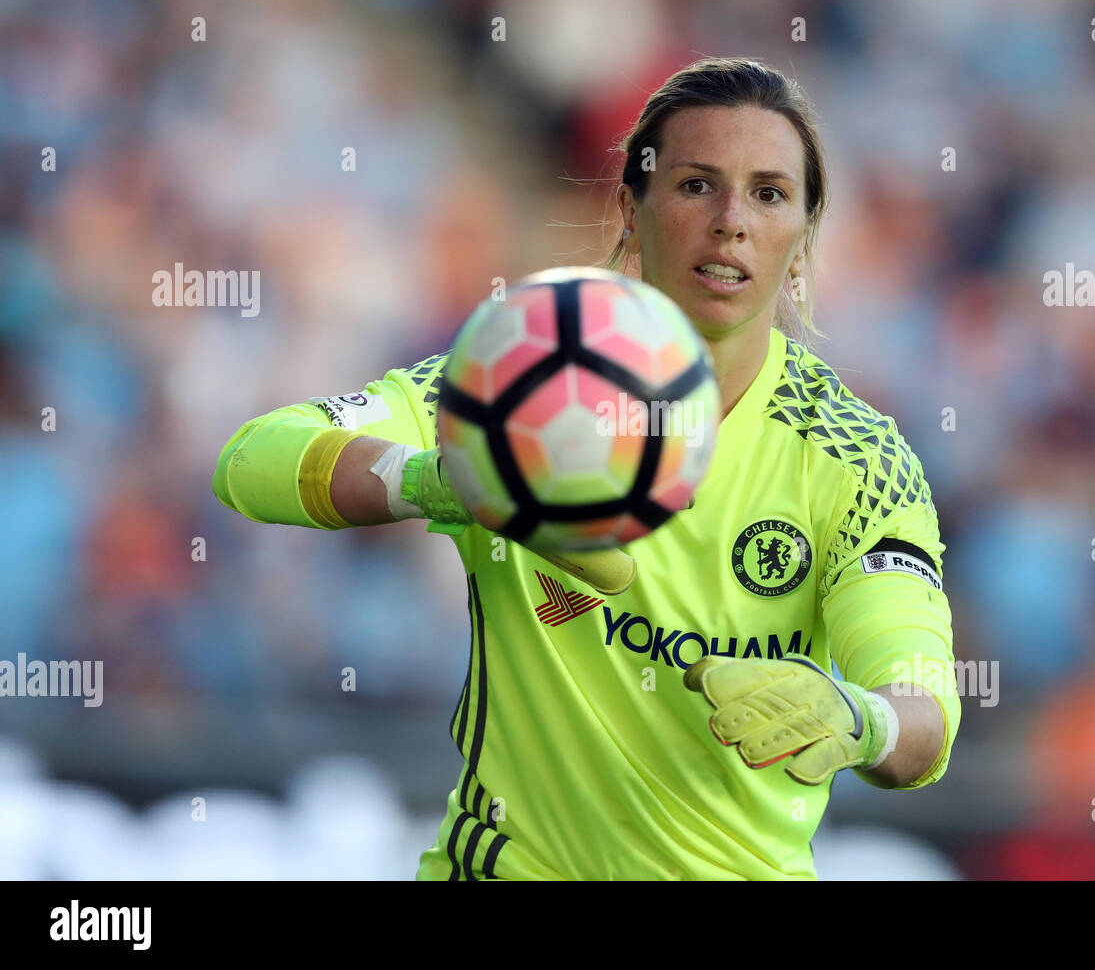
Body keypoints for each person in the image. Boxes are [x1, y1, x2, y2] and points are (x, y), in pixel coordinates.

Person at [212, 57, 960, 881]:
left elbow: (923, 705)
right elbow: (251, 459)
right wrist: (438, 481)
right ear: (632, 208)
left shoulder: (854, 455)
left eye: (770, 193)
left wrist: (859, 719)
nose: (732, 222)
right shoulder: (519, 374)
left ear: (804, 233)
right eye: (696, 185)